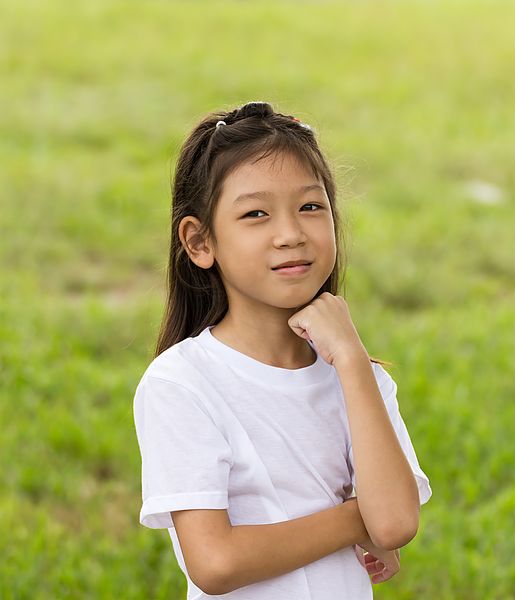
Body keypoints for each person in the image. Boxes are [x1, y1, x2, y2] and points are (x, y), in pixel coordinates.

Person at [132, 100, 432, 600]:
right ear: (200, 242)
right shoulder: (182, 383)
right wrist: (358, 519)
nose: (291, 234)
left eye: (311, 207)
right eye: (256, 214)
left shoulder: (360, 379)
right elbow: (216, 561)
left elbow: (397, 523)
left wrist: (353, 362)